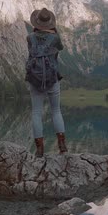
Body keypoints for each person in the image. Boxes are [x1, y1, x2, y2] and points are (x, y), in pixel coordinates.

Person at [26, 8, 67, 158]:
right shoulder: (55, 38)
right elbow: (60, 48)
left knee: (36, 113)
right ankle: (62, 146)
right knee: (56, 111)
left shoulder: (29, 38)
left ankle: (40, 150)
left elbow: (33, 51)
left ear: (36, 23)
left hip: (34, 80)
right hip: (52, 80)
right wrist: (53, 32)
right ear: (50, 23)